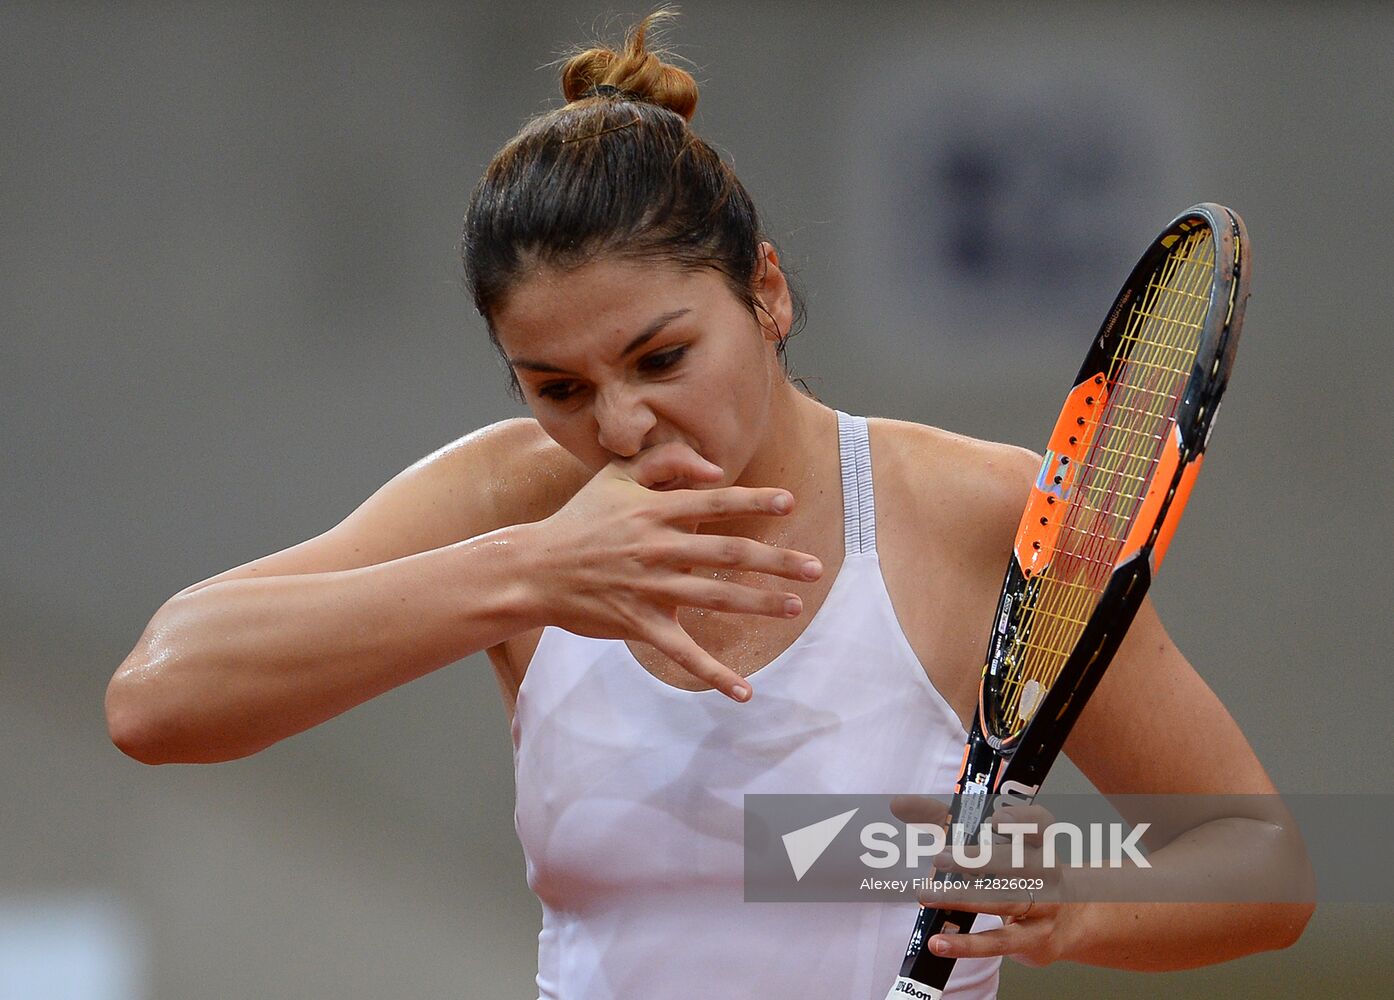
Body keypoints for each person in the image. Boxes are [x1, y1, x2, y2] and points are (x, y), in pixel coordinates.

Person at [105, 10, 1312, 999]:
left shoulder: (975, 513)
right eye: (557, 387)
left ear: (767, 294)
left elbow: (1260, 868)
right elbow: (157, 698)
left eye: (661, 358)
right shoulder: (514, 497)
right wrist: (529, 573)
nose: (618, 427)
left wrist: (1075, 895)